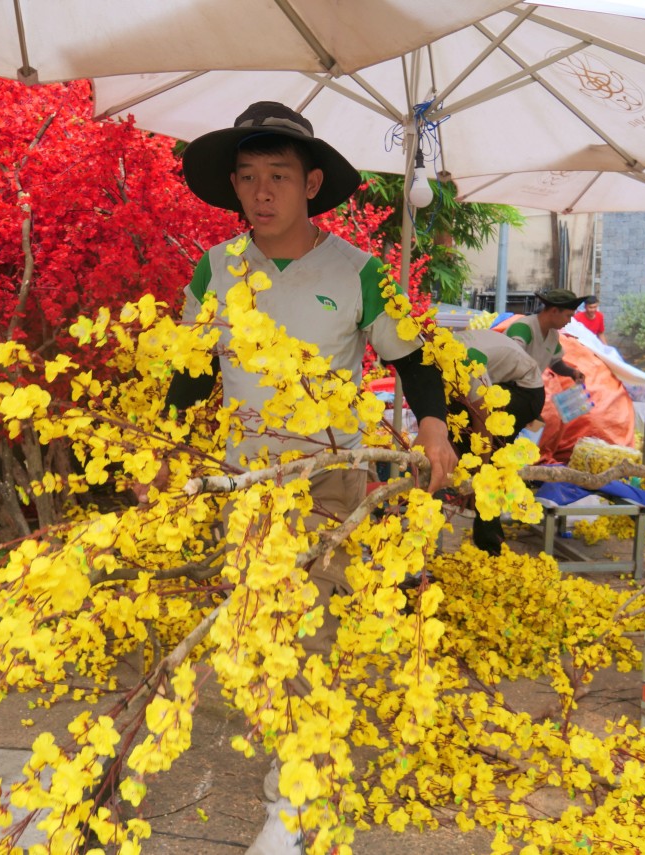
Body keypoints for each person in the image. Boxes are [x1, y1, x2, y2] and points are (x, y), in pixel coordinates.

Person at [165, 101, 458, 855]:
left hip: (328, 474)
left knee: (309, 627)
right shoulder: (218, 267)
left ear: (312, 182)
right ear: (234, 186)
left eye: (280, 177)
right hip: (246, 480)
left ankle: (290, 797)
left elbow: (414, 359)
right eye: (250, 178)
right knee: (259, 628)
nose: (263, 193)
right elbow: (192, 370)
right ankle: (293, 761)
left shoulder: (358, 272)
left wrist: (433, 428)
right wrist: (164, 451)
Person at [450, 329, 545, 555]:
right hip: (505, 383)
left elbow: (483, 420)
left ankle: (491, 543)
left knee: (490, 461)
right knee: (454, 424)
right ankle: (488, 531)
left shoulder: (463, 363)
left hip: (524, 391)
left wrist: (480, 471)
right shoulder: (444, 350)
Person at [503, 288, 588, 387]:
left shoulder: (553, 335)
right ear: (554, 311)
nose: (569, 321)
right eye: (568, 316)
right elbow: (510, 359)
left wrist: (572, 372)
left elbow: (555, 362)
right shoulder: (523, 328)